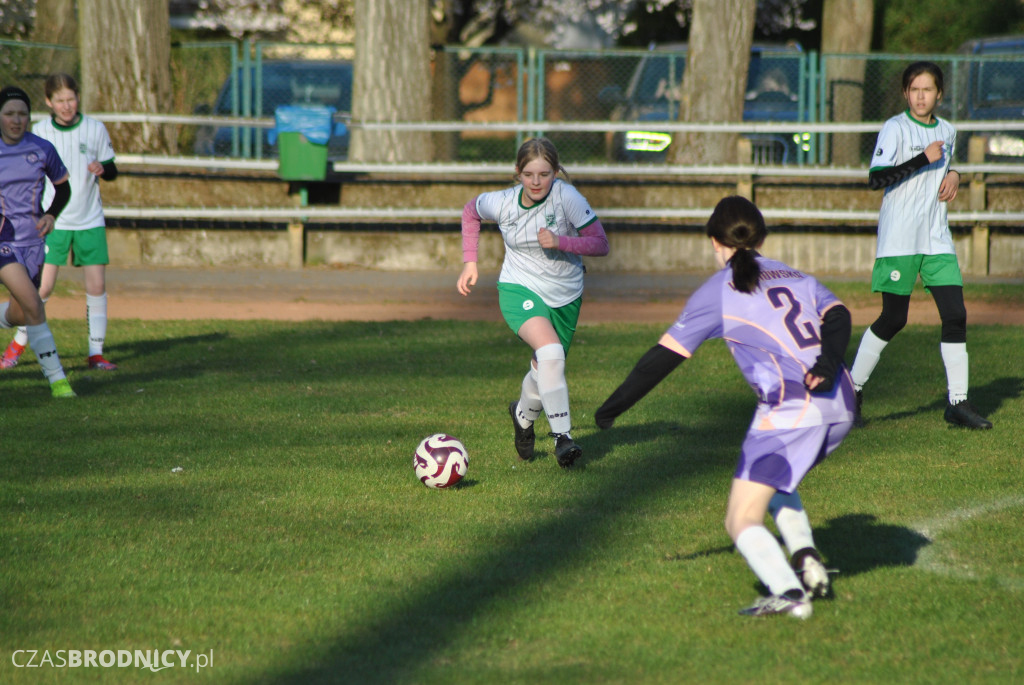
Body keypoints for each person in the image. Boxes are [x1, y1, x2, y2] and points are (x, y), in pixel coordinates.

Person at [594, 196, 854, 619]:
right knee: (774, 480)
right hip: (841, 401)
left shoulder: (719, 291)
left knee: (740, 519)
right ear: (759, 237)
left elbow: (662, 358)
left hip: (792, 407)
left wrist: (610, 409)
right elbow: (839, 314)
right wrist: (826, 363)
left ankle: (789, 594)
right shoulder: (796, 275)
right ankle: (806, 557)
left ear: (715, 241)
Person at [849, 61, 991, 430]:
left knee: (956, 315)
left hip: (936, 238)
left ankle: (958, 402)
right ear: (905, 93)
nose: (921, 96)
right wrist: (920, 159)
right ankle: (852, 389)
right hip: (900, 237)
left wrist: (955, 173)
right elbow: (877, 179)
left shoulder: (948, 130)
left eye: (927, 89)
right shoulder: (895, 128)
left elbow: (945, 168)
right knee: (894, 318)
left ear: (939, 94)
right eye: (914, 90)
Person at [457, 137, 609, 468]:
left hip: (566, 294)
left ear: (555, 172)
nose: (536, 182)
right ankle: (563, 438)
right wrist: (471, 261)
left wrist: (561, 241)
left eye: (544, 174)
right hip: (519, 288)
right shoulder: (503, 203)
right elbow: (470, 212)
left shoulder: (567, 198)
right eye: (528, 174)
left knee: (546, 367)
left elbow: (600, 244)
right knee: (551, 353)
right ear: (517, 173)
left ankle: (523, 416)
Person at [1, 73, 118, 371]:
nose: (67, 105)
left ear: (78, 98)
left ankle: (95, 354)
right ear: (49, 102)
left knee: (96, 285)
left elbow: (112, 167)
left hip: (90, 218)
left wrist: (104, 168)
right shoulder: (39, 134)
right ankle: (16, 347)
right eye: (60, 100)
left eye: (71, 99)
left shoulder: (94, 129)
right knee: (40, 291)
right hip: (51, 225)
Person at [0, 85, 75, 397]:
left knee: (22, 310)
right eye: (9, 114)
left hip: (34, 242)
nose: (16, 120)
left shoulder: (42, 149)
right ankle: (58, 381)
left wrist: (51, 215)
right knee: (35, 305)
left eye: (22, 114)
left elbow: (63, 188)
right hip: (4, 243)